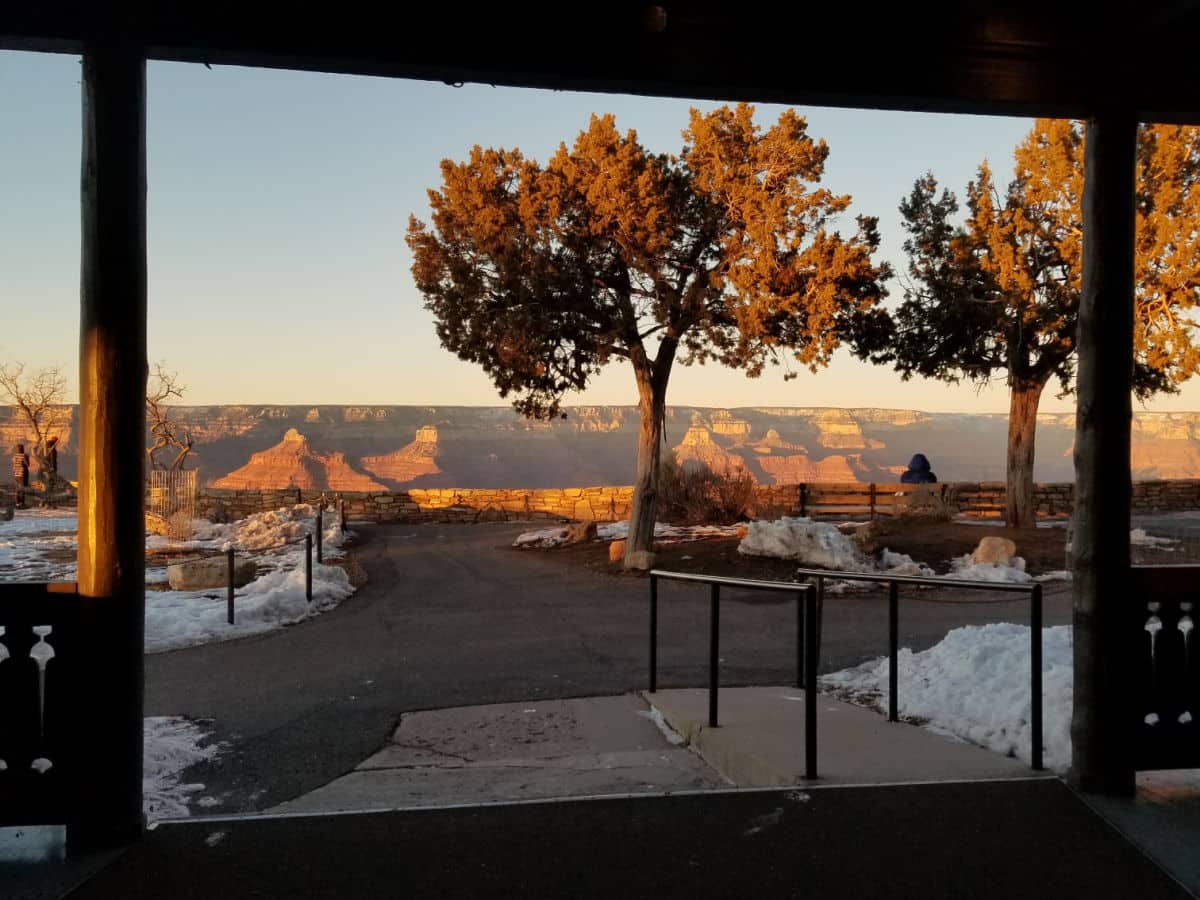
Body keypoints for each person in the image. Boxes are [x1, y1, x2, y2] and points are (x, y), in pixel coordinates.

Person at [12, 442, 29, 508]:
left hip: (16, 474)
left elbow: (13, 465)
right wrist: (27, 458)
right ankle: (22, 503)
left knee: (17, 489)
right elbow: (27, 464)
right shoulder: (24, 455)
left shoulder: (15, 456)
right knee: (23, 488)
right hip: (23, 474)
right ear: (22, 449)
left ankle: (17, 503)